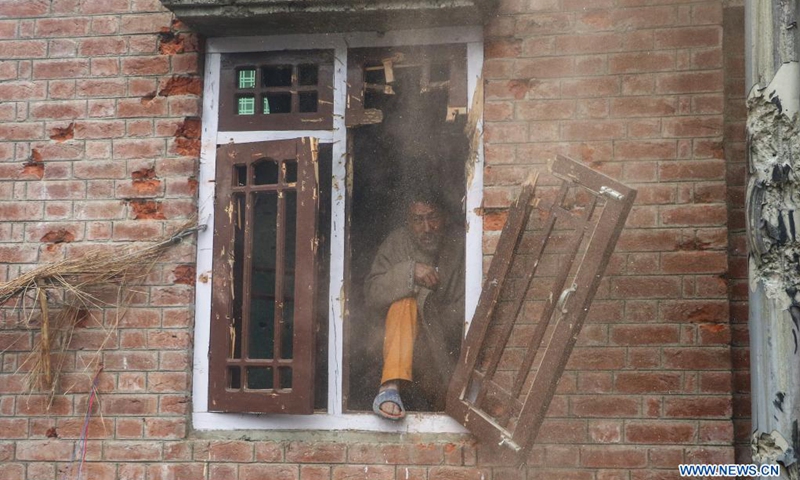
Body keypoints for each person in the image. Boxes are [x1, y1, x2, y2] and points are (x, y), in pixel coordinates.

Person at [364, 189, 465, 420]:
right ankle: (390, 388)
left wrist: (430, 313)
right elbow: (371, 293)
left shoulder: (460, 244)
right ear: (409, 222)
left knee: (449, 414)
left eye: (433, 217)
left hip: (442, 347)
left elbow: (467, 306)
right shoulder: (396, 244)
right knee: (405, 303)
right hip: (396, 347)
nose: (427, 228)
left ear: (445, 218)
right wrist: (410, 272)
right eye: (418, 220)